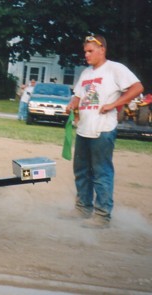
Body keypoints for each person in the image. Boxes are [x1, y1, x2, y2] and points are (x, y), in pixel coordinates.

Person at [63, 34, 143, 228]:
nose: (86, 55)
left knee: (101, 173)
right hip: (83, 130)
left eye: (90, 51)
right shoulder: (86, 73)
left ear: (102, 50)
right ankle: (83, 208)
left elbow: (137, 87)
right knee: (81, 171)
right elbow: (78, 96)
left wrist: (114, 104)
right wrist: (72, 104)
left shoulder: (115, 69)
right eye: (85, 52)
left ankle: (102, 216)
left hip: (103, 130)